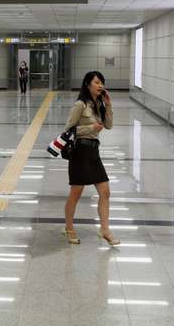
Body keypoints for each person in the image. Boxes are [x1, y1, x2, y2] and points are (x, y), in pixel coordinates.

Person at [62, 70, 119, 246]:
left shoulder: (99, 105)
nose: (100, 85)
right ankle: (69, 227)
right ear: (88, 85)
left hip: (94, 153)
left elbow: (108, 126)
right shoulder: (80, 104)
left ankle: (104, 229)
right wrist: (90, 128)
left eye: (101, 82)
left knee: (105, 192)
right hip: (80, 152)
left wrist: (108, 105)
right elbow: (69, 130)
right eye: (96, 82)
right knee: (76, 193)